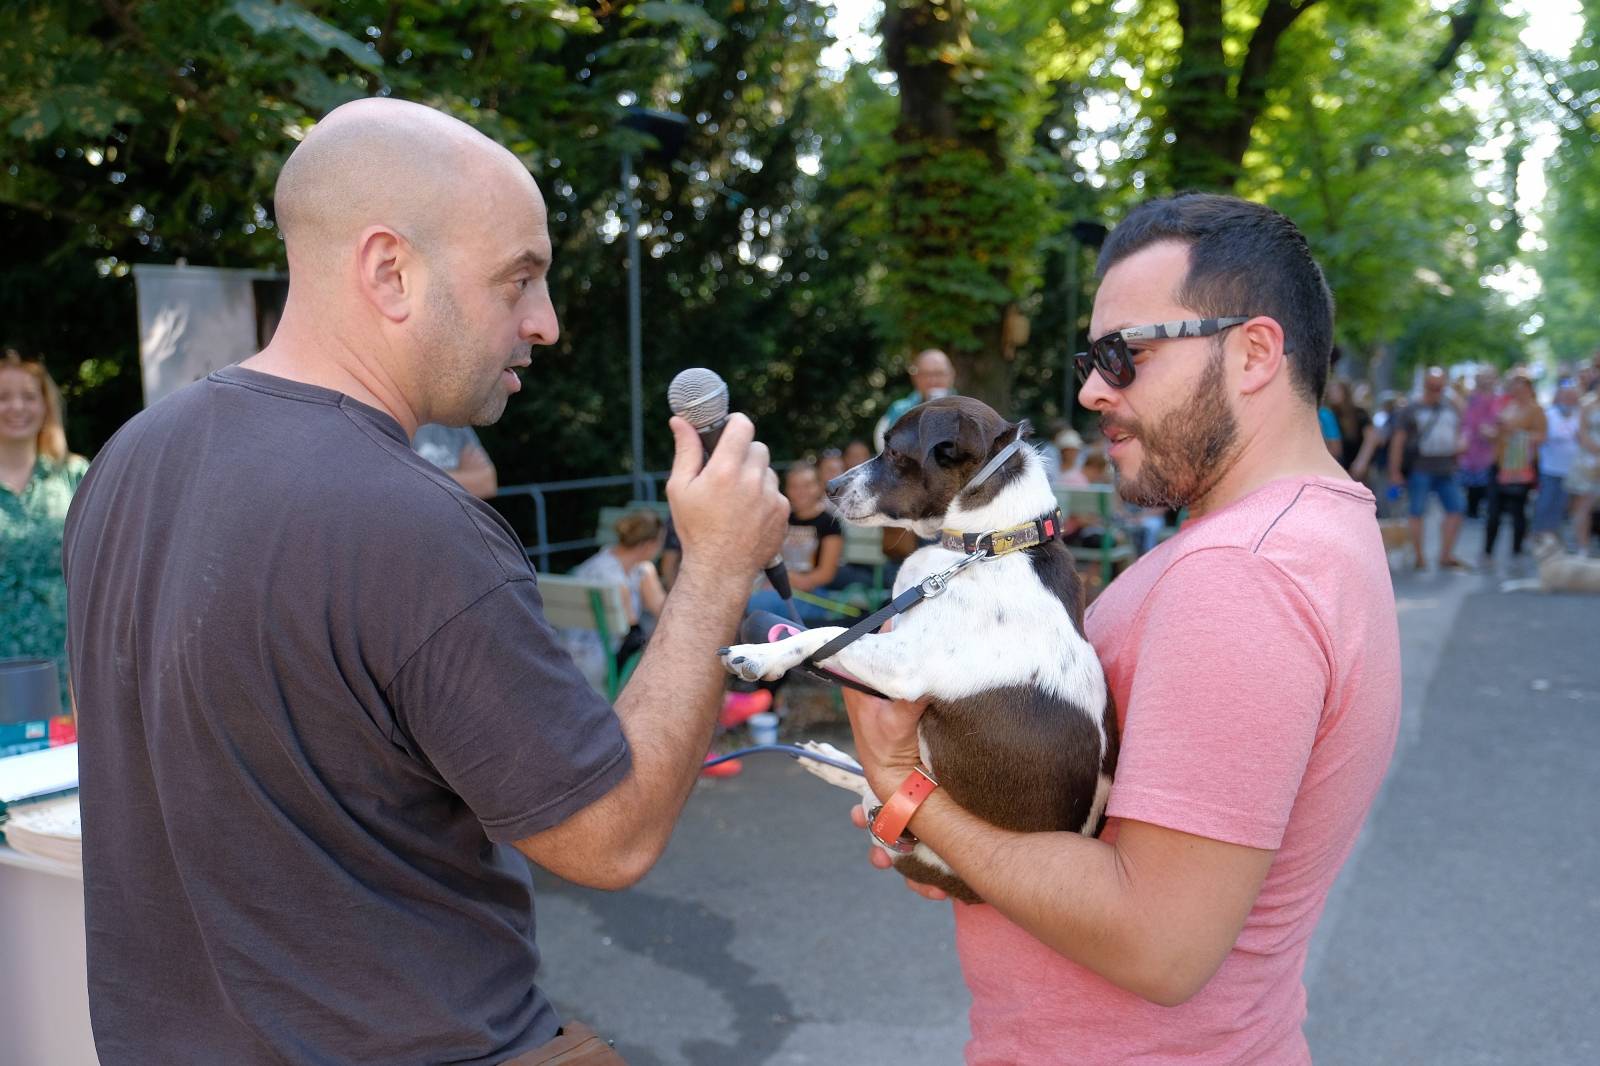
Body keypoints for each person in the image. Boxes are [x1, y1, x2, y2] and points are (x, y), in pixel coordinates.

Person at [61, 98, 788, 1066]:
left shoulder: (129, 457)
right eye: (519, 279)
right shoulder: (408, 522)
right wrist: (715, 568)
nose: (547, 322)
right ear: (389, 271)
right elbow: (606, 839)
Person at [842, 192, 1400, 1064]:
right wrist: (971, 845)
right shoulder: (1303, 534)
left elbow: (1158, 944)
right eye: (1088, 357)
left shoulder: (1241, 576)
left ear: (1254, 352)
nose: (1092, 388)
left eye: (1124, 355)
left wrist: (907, 790)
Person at [0, 350, 88, 714]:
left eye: (29, 396)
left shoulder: (74, 475)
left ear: (45, 407)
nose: (16, 407)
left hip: (67, 660)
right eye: (3, 397)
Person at [558, 510, 668, 688]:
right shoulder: (615, 581)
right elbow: (633, 635)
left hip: (567, 651)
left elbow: (663, 611)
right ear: (648, 545)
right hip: (598, 659)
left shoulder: (616, 565)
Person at [1387, 366, 1469, 571]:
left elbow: (1462, 425)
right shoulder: (1411, 409)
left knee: (1456, 509)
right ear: (1425, 385)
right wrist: (1395, 471)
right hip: (1420, 467)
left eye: (1440, 386)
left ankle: (1445, 555)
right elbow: (1398, 441)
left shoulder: (1450, 406)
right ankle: (1419, 556)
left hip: (1446, 467)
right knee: (1417, 511)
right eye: (1433, 386)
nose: (1436, 390)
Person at [748, 462, 845, 625]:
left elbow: (826, 574)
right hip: (778, 589)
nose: (801, 492)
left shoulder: (829, 523)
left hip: (813, 594)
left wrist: (786, 580)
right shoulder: (783, 518)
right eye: (794, 486)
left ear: (819, 486)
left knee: (757, 604)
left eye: (807, 485)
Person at [1482, 371, 1547, 568]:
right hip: (1500, 465)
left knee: (1518, 511)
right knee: (1493, 512)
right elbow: (1495, 431)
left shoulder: (1535, 410)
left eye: (1521, 387)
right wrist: (1491, 432)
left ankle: (1516, 551)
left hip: (1521, 467)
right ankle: (1487, 552)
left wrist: (1517, 433)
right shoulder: (1504, 406)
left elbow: (1542, 436)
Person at [873, 348, 956, 450]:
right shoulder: (899, 410)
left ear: (951, 375)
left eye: (939, 374)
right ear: (915, 377)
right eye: (926, 374)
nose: (933, 380)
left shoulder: (968, 410)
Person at [1532, 379, 1583, 537]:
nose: (1569, 400)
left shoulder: (1580, 416)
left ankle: (1552, 536)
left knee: (1561, 505)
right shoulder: (1549, 415)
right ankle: (1538, 534)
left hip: (1571, 469)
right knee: (1545, 503)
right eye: (1566, 396)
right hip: (1550, 468)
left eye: (1572, 397)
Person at [1459, 367, 1505, 519]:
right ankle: (1472, 509)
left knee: (1489, 480)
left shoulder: (1500, 399)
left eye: (1490, 377)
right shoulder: (1471, 398)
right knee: (1473, 482)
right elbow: (1467, 421)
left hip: (1494, 447)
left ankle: (1486, 508)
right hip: (1474, 447)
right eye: (1484, 377)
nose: (1487, 381)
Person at [413, 421, 498, 499]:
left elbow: (488, 484)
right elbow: (409, 484)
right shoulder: (406, 423)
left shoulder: (457, 423)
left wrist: (423, 478)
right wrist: (463, 474)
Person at [1567, 385, 1600, 555]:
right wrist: (1596, 451)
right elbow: (1582, 432)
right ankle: (1583, 546)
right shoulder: (1587, 405)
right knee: (1584, 505)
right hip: (1588, 458)